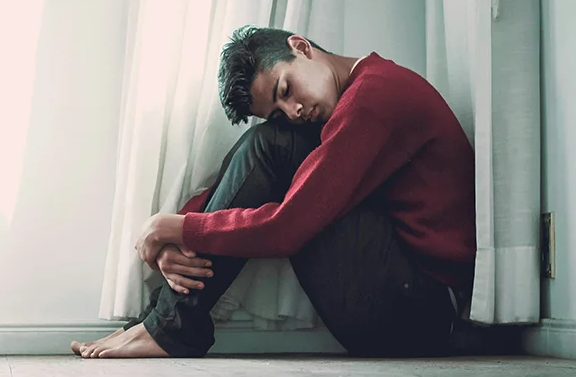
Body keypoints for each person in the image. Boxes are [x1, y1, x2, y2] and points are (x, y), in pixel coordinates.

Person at [72, 26, 476, 359]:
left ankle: (170, 327)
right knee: (270, 141)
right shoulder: (354, 99)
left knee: (272, 146)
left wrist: (175, 229)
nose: (295, 111)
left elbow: (288, 227)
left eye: (286, 89)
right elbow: (245, 180)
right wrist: (174, 234)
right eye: (281, 109)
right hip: (403, 296)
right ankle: (165, 322)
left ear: (301, 47)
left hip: (422, 314)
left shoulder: (376, 98)